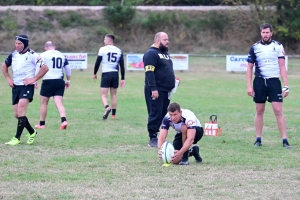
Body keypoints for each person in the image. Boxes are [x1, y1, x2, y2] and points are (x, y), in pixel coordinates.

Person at [246, 23, 291, 149]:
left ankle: (285, 140)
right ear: (261, 33)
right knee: (259, 110)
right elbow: (249, 68)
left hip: (274, 82)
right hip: (259, 81)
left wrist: (286, 86)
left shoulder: (278, 46)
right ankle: (258, 139)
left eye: (267, 32)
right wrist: (249, 86)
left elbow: (282, 66)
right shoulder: (254, 47)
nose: (265, 35)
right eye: (263, 32)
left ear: (271, 33)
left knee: (278, 111)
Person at [2, 34, 49, 146]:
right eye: (16, 43)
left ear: (25, 44)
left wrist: (34, 79)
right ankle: (32, 132)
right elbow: (4, 66)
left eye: (20, 44)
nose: (17, 46)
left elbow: (45, 68)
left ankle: (17, 138)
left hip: (27, 86)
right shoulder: (13, 55)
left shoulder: (33, 55)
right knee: (17, 114)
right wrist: (8, 78)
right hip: (15, 87)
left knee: (21, 110)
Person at [143, 32, 177, 148]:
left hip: (165, 89)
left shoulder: (165, 53)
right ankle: (152, 138)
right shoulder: (151, 53)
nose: (167, 42)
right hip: (155, 89)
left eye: (168, 39)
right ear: (158, 40)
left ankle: (161, 137)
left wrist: (173, 80)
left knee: (163, 114)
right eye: (165, 40)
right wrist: (153, 88)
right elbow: (149, 72)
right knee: (155, 113)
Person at [34, 41, 71, 130]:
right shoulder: (62, 55)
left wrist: (35, 80)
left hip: (48, 81)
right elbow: (68, 69)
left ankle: (42, 124)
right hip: (59, 81)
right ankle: (64, 120)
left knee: (44, 103)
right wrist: (68, 80)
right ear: (54, 47)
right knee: (59, 102)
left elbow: (39, 67)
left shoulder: (43, 55)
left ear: (45, 47)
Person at [93, 34, 125, 120]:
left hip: (106, 73)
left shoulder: (102, 49)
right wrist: (123, 78)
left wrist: (94, 73)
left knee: (103, 95)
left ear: (108, 41)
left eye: (104, 39)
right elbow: (122, 66)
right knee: (113, 95)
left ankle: (107, 107)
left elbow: (98, 62)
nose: (104, 41)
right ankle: (113, 115)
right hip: (115, 74)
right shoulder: (119, 50)